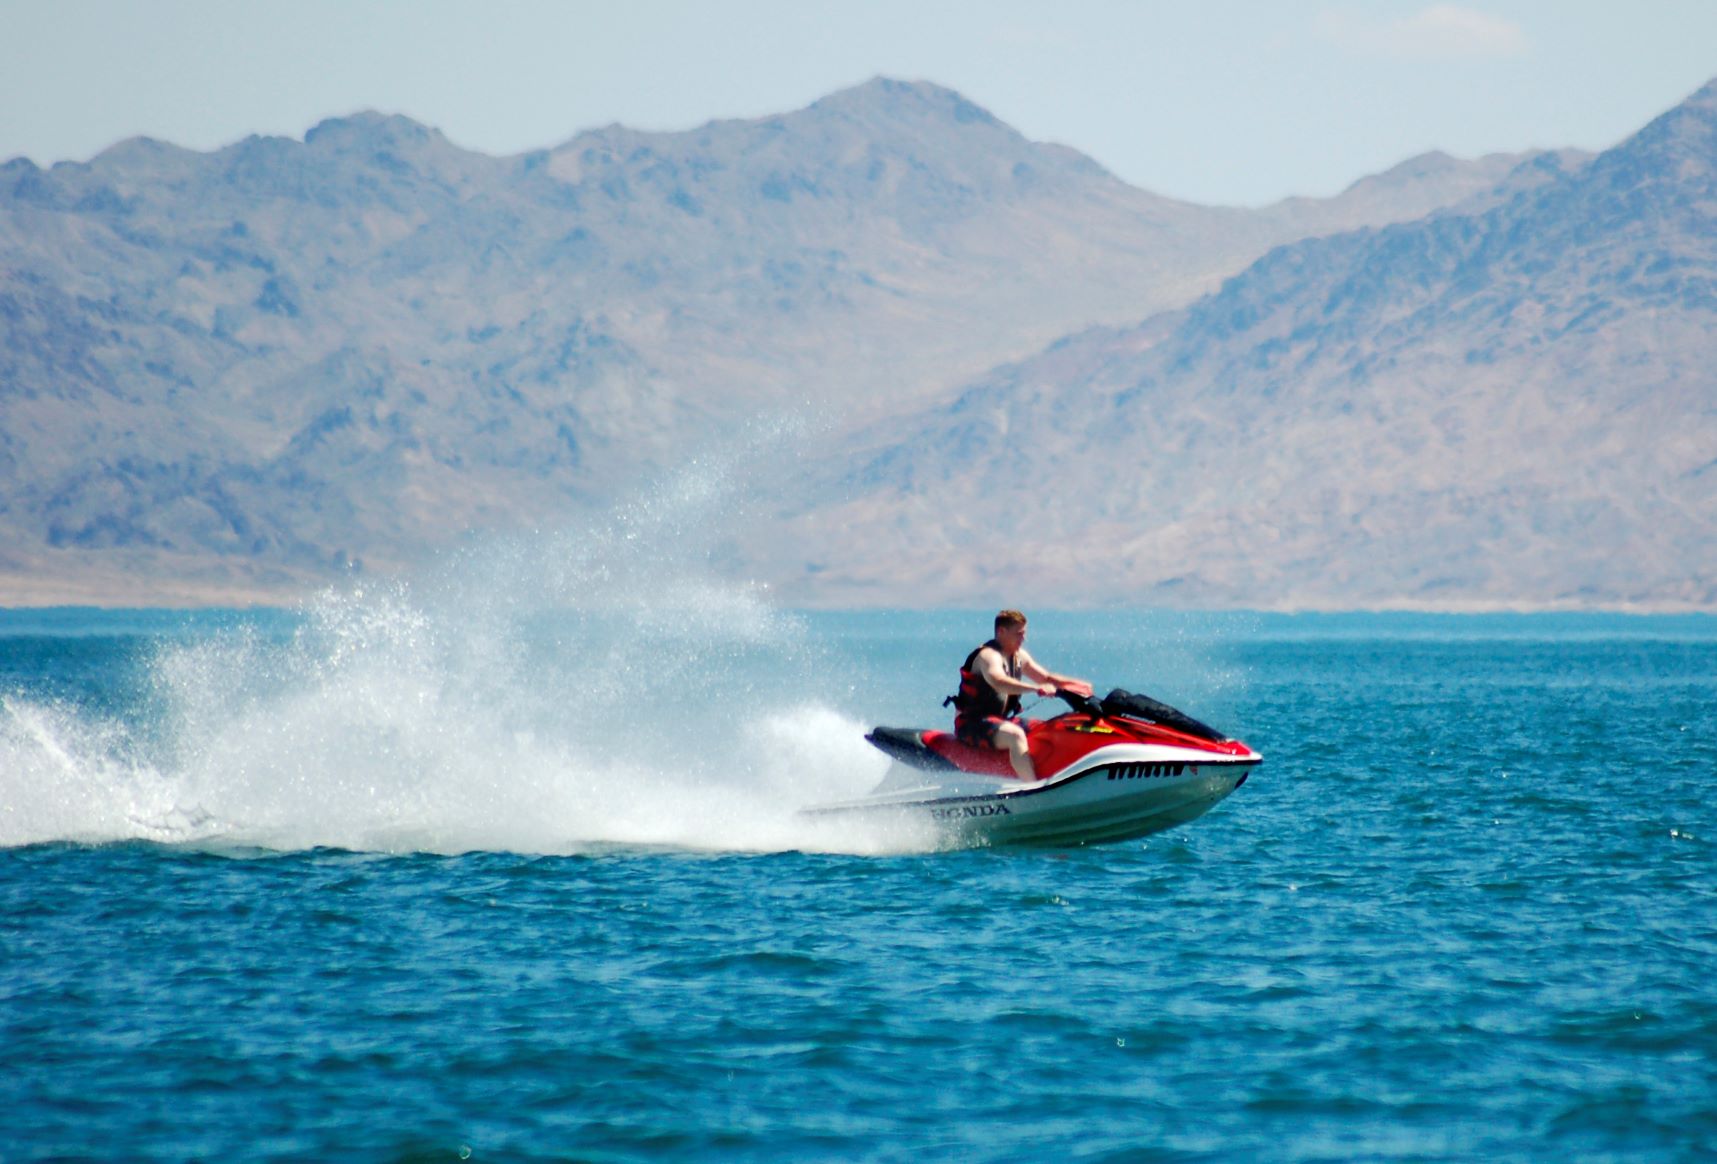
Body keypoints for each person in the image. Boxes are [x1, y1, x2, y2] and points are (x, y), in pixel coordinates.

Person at [950, 609, 1093, 780]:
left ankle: (1057, 771)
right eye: (1019, 634)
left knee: (1049, 727)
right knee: (1015, 735)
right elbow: (998, 681)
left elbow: (1045, 677)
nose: (1023, 639)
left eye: (1024, 633)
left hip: (999, 720)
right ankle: (1032, 788)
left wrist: (1075, 685)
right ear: (1001, 632)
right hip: (972, 724)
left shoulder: (1019, 657)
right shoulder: (988, 656)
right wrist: (1035, 689)